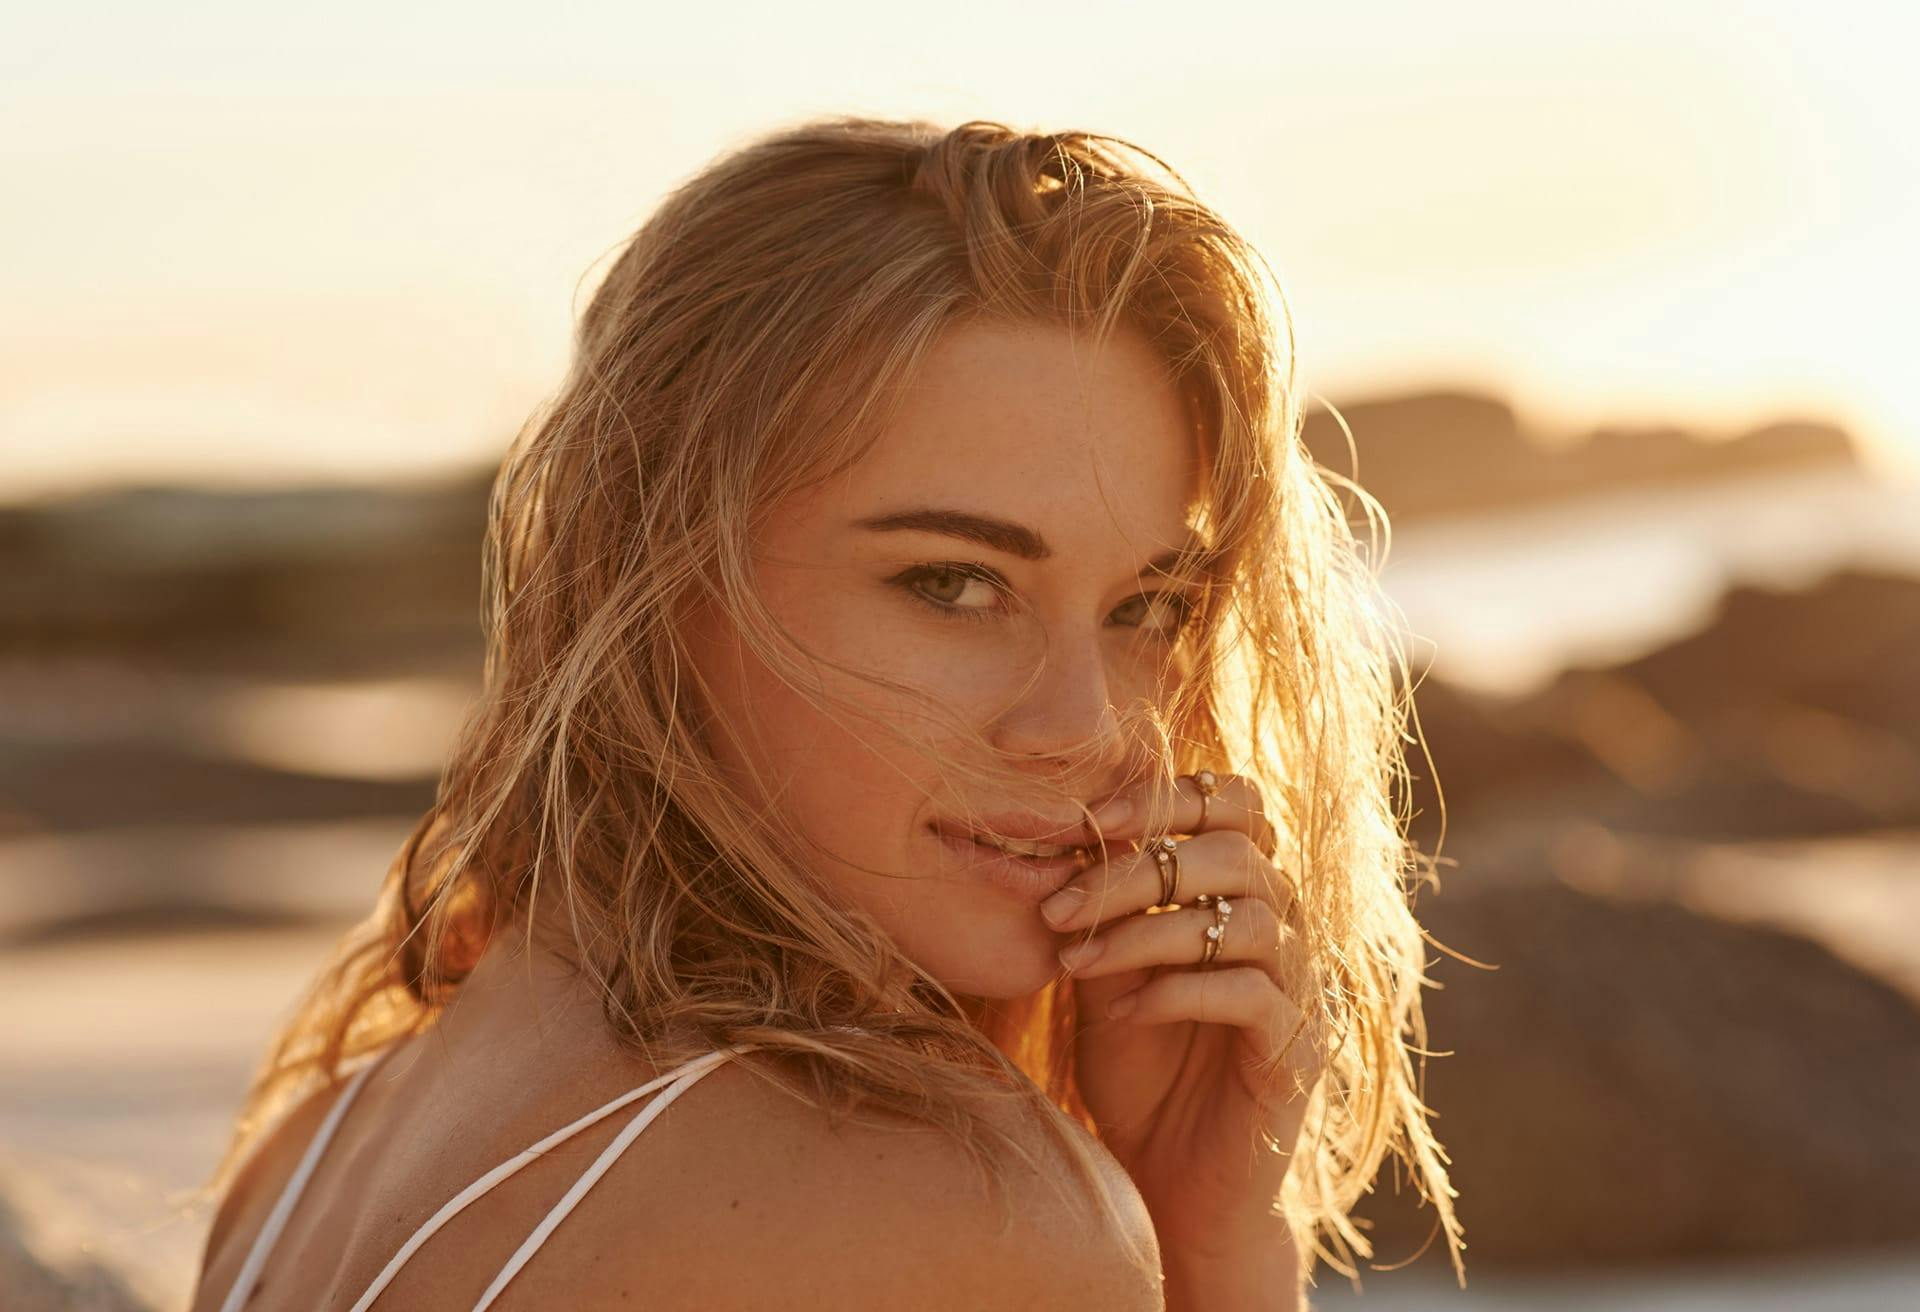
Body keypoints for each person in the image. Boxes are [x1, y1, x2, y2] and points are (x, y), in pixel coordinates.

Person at [189, 115, 1465, 1311]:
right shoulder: (958, 1221)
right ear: (657, 577)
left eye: (1150, 606)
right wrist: (1217, 1261)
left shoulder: (317, 1141)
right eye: (956, 585)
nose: (1090, 726)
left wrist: (1195, 1224)